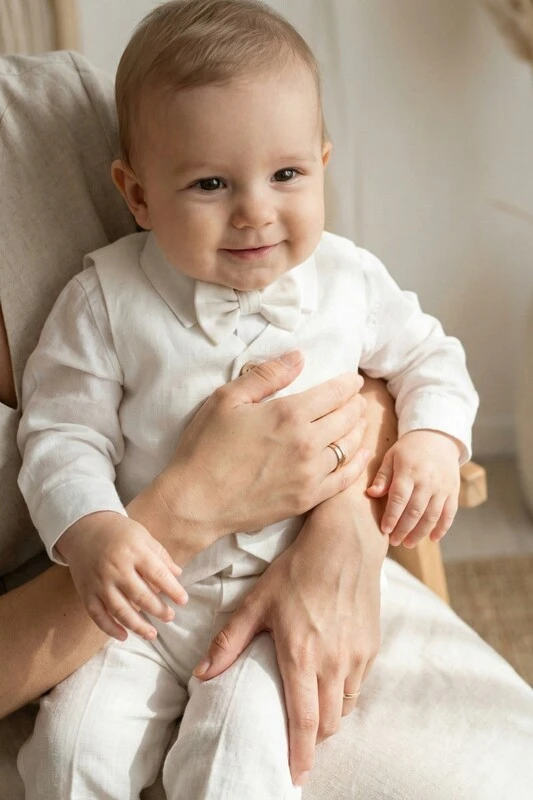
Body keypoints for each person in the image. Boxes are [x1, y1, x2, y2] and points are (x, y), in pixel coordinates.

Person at [13, 1, 481, 797]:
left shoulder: (348, 279)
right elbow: (61, 434)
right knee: (68, 755)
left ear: (323, 162)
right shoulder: (104, 299)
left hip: (278, 596)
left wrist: (434, 440)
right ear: (137, 193)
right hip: (143, 602)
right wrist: (92, 532)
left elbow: (429, 359)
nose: (255, 210)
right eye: (210, 183)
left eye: (287, 174)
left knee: (235, 764)